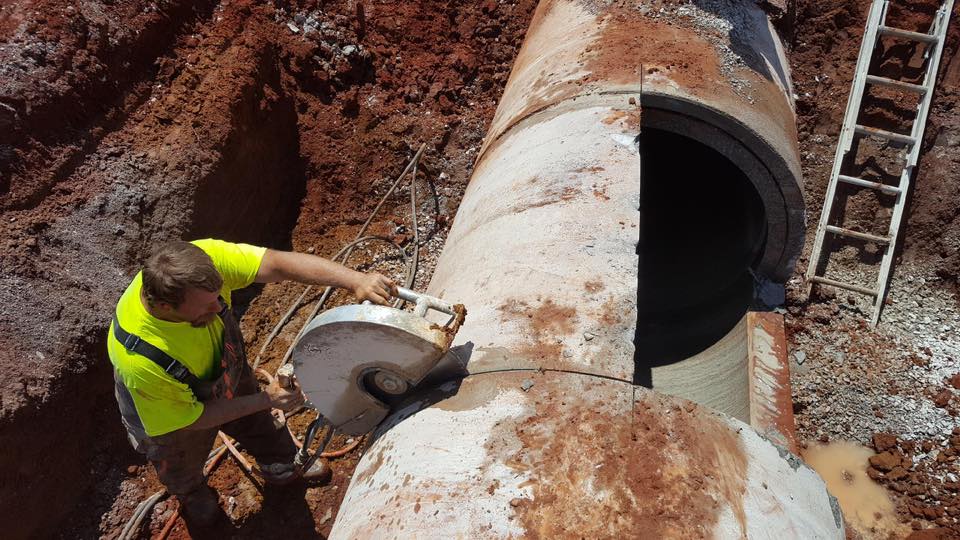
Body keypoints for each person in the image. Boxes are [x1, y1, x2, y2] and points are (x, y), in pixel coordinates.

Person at [107, 238, 396, 526]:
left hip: (223, 366)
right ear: (164, 306)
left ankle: (282, 464)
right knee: (179, 462)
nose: (217, 308)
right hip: (171, 416)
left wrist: (355, 279)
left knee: (257, 420)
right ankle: (194, 495)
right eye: (205, 308)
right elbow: (192, 418)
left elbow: (276, 263)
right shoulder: (140, 360)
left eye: (217, 297)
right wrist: (267, 399)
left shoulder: (201, 264)